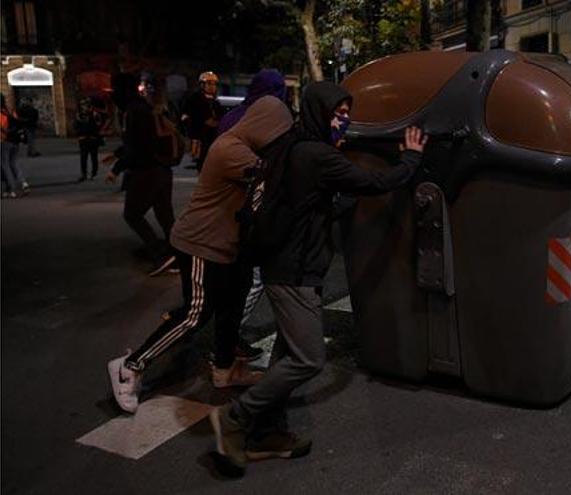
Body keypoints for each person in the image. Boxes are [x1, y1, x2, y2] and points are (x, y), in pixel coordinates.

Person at [210, 82, 427, 473]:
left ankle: (267, 434)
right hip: (293, 272)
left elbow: (319, 205)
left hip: (285, 264)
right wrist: (411, 160)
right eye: (337, 114)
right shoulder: (316, 155)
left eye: (346, 114)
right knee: (309, 359)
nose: (343, 121)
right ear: (317, 112)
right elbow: (374, 183)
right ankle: (236, 418)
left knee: (286, 356)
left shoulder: (293, 147)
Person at [106, 96, 293, 414]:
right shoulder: (231, 149)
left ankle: (225, 370)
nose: (282, 140)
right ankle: (130, 365)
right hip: (200, 244)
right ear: (265, 127)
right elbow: (275, 181)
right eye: (280, 133)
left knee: (231, 309)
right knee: (196, 314)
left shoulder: (247, 148)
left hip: (228, 247)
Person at [217, 68, 288, 352]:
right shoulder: (264, 121)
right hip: (250, 210)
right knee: (254, 277)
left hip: (229, 208)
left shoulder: (231, 118)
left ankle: (227, 336)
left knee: (241, 277)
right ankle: (227, 340)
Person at [103, 73, 176, 276]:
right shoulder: (143, 107)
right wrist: (117, 154)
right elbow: (136, 142)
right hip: (162, 169)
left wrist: (116, 169)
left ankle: (160, 255)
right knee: (164, 214)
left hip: (147, 172)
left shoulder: (133, 111)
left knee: (132, 215)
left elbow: (136, 148)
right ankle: (177, 254)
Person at [182, 71, 222, 172]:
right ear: (202, 85)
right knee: (202, 163)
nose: (212, 87)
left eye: (214, 84)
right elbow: (203, 118)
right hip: (200, 136)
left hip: (211, 137)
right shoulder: (196, 99)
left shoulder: (215, 102)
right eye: (209, 83)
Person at [1, 94, 26, 198]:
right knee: (14, 163)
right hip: (15, 141)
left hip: (4, 141)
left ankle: (12, 189)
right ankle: (23, 183)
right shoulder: (10, 112)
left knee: (5, 166)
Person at [74, 97, 104, 181]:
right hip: (83, 139)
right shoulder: (79, 115)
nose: (85, 107)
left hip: (93, 139)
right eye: (83, 105)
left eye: (86, 105)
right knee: (83, 158)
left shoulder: (95, 114)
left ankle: (93, 174)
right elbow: (76, 126)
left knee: (94, 157)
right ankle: (84, 174)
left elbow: (99, 125)